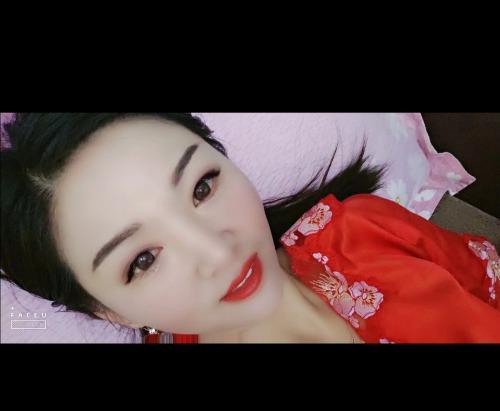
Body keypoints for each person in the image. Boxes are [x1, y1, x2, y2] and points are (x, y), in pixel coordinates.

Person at [2, 113, 498, 343]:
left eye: (202, 187)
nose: (218, 253)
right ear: (106, 311)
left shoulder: (365, 229)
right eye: (143, 260)